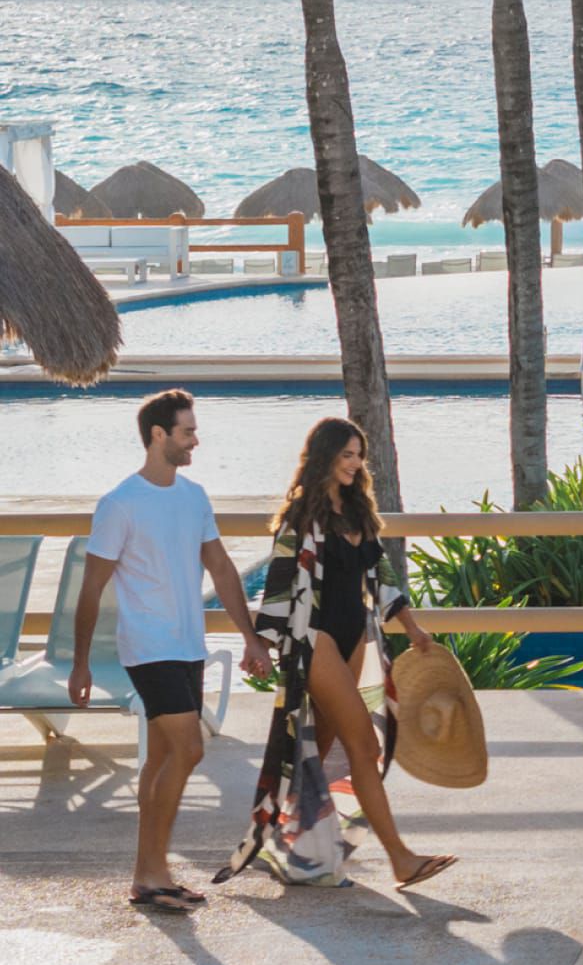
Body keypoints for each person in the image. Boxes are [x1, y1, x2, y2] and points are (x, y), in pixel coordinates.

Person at [214, 417, 455, 892]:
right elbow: (280, 584)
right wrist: (259, 642)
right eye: (347, 454)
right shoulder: (302, 518)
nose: (356, 463)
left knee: (317, 752)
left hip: (352, 639)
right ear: (324, 456)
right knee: (364, 746)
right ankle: (401, 859)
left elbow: (382, 574)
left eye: (359, 455)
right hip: (314, 638)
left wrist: (411, 626)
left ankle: (287, 846)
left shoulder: (357, 510)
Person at [69, 389, 274, 915]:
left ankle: (147, 875)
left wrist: (250, 637)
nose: (195, 440)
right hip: (148, 646)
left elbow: (223, 570)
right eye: (187, 432)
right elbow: (91, 589)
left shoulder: (194, 496)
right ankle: (154, 872)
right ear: (158, 435)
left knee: (162, 757)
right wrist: (81, 661)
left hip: (187, 645)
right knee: (190, 751)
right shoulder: (120, 504)